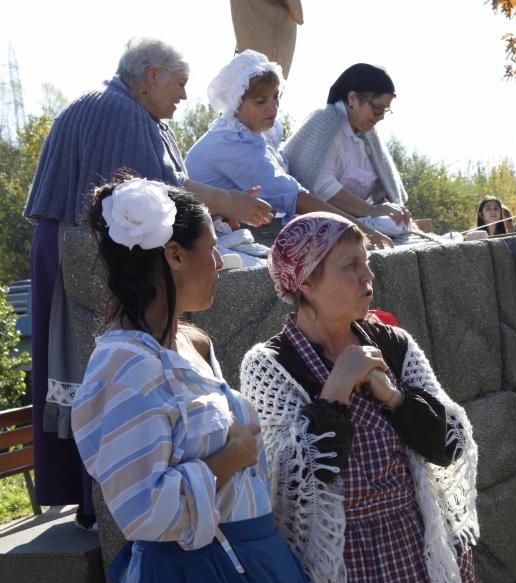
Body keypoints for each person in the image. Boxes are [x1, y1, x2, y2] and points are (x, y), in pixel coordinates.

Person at [70, 177, 329, 583]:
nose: (220, 263)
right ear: (173, 255)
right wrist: (226, 462)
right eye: (211, 249)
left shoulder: (193, 342)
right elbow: (142, 511)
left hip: (255, 570)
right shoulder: (125, 366)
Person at [23, 37, 273, 529]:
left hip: (82, 249)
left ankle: (93, 496)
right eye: (179, 84)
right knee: (90, 363)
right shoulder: (116, 110)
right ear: (152, 75)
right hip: (80, 253)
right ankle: (98, 497)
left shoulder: (129, 110)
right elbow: (147, 194)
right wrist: (228, 201)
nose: (184, 96)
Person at [239, 213, 494, 583]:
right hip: (345, 571)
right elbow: (292, 487)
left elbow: (448, 444)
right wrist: (336, 390)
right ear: (307, 282)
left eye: (367, 261)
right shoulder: (270, 366)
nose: (367, 275)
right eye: (350, 265)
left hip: (421, 553)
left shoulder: (392, 344)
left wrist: (393, 397)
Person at [185, 50, 392, 250]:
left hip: (240, 227)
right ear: (237, 103)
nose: (272, 107)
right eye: (260, 101)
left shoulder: (259, 133)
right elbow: (295, 197)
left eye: (276, 97)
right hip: (205, 238)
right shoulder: (231, 144)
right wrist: (360, 230)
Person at [283, 63, 412, 240]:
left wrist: (390, 208)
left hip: (358, 220)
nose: (381, 116)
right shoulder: (323, 123)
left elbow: (382, 189)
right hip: (316, 220)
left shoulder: (369, 136)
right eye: (377, 108)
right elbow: (321, 186)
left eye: (385, 110)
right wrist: (371, 210)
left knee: (395, 223)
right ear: (352, 99)